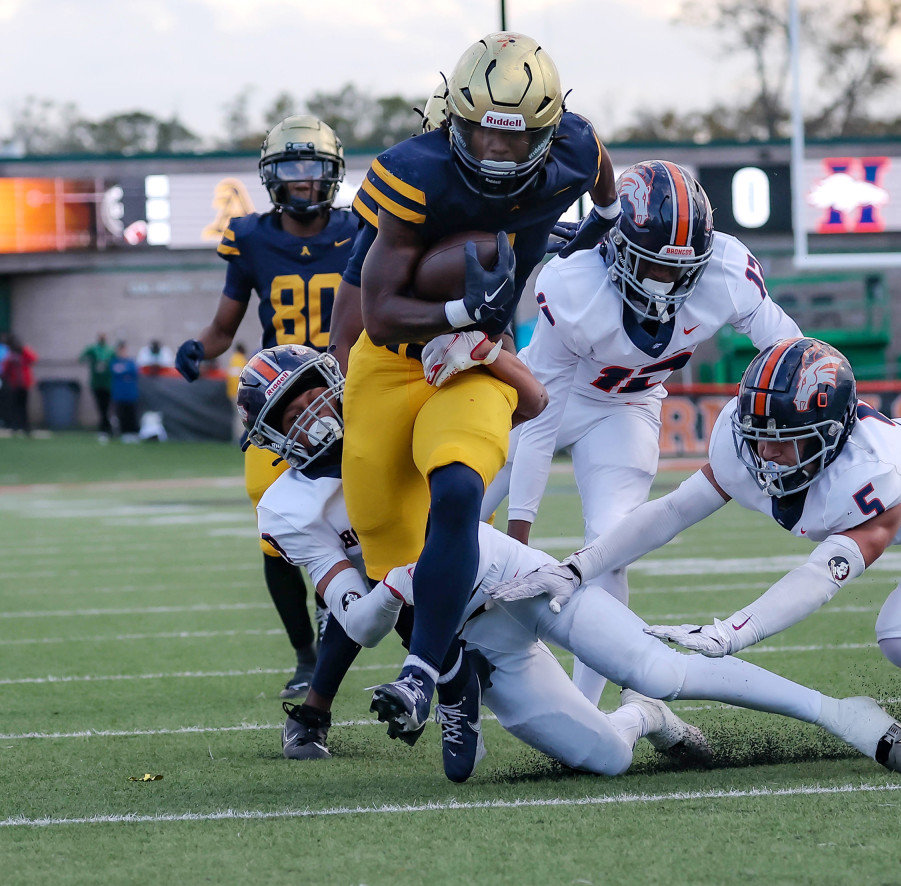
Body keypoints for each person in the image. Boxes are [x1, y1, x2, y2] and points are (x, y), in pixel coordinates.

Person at [240, 344, 901, 780]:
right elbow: (356, 626)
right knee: (607, 757)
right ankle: (647, 719)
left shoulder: (392, 416)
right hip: (467, 638)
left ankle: (840, 715)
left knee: (656, 666)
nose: (311, 417)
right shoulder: (289, 509)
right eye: (289, 412)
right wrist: (398, 583)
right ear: (269, 437)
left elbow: (518, 418)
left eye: (311, 395)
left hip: (506, 572)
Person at [491, 337, 901, 763]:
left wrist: (733, 632)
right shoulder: (746, 442)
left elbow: (822, 575)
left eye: (785, 441)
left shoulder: (874, 472)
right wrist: (580, 566)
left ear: (830, 434)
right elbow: (670, 511)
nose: (766, 453)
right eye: (759, 434)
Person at [337, 32, 622, 744]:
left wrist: (608, 222)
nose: (495, 154)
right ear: (451, 124)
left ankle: (420, 674)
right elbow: (373, 314)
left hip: (480, 358)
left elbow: (598, 164)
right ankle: (457, 669)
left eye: (515, 140)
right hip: (396, 353)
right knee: (389, 551)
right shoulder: (413, 175)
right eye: (479, 136)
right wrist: (465, 308)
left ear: (546, 132)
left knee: (460, 492)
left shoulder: (572, 149)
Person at [486, 160, 802, 704]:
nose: (668, 282)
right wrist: (520, 534)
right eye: (653, 265)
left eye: (682, 270)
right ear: (614, 248)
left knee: (611, 545)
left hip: (627, 409)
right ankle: (440, 673)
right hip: (539, 402)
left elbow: (793, 355)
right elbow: (539, 419)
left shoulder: (726, 273)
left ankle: (585, 706)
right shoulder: (575, 286)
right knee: (452, 517)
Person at [173, 114, 358, 698]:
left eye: (313, 172)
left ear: (331, 176)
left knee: (368, 520)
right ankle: (306, 655)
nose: (304, 183)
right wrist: (198, 348)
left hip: (350, 394)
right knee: (275, 536)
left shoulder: (364, 228)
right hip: (279, 410)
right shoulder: (250, 236)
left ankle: (359, 623)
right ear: (273, 178)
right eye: (292, 172)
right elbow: (225, 327)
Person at [78, 333, 115, 438]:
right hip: (96, 383)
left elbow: (116, 361)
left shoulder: (110, 350)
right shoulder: (93, 349)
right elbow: (81, 358)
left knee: (107, 407)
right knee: (101, 407)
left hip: (108, 383)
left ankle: (106, 428)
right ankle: (105, 429)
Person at [0, 336, 36, 435]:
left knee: (23, 406)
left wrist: (24, 349)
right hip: (14, 384)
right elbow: (6, 367)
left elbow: (33, 358)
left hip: (24, 384)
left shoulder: (23, 352)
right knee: (14, 406)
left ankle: (25, 426)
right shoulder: (10, 355)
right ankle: (15, 426)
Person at [109, 342, 140, 442]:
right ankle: (123, 432)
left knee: (131, 414)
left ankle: (133, 433)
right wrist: (125, 372)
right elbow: (114, 371)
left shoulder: (131, 362)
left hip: (130, 394)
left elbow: (134, 371)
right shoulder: (114, 362)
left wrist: (123, 371)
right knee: (120, 414)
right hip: (119, 394)